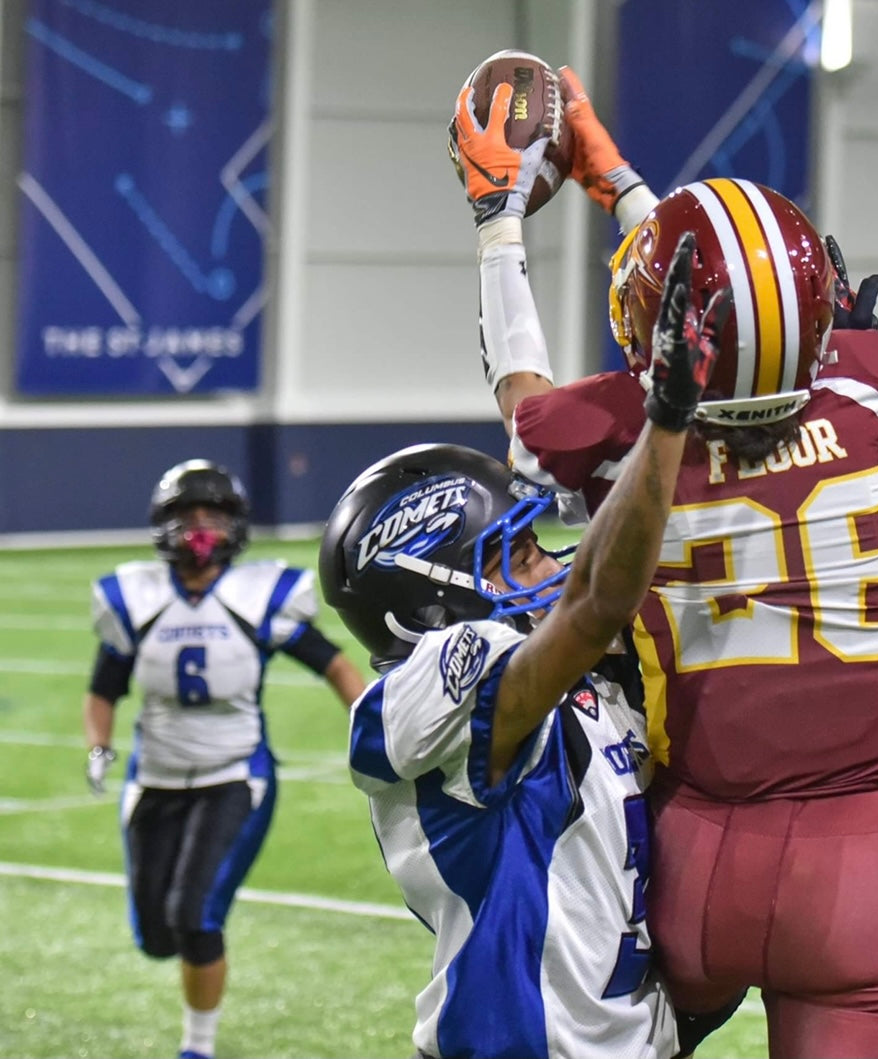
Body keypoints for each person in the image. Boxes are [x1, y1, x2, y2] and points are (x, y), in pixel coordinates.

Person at [451, 67, 878, 1059]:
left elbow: (538, 392)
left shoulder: (614, 434)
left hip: (692, 850)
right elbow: (749, 313)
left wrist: (498, 224)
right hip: (865, 859)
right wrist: (621, 181)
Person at [317, 233, 737, 1059]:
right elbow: (590, 602)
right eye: (514, 553)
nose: (550, 560)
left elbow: (540, 432)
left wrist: (500, 230)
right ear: (430, 593)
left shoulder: (576, 680)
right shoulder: (434, 680)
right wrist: (666, 419)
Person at [82, 459, 367, 1059]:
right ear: (165, 525)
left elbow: (335, 664)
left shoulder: (256, 596)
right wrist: (100, 747)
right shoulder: (135, 598)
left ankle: (198, 1048)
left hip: (235, 774)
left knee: (195, 916)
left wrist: (372, 725)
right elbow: (104, 686)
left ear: (235, 524)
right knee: (157, 936)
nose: (201, 528)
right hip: (154, 777)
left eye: (214, 515)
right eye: (189, 516)